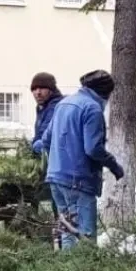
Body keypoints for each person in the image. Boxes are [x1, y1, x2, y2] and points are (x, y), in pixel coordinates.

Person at [45, 69, 125, 248]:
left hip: (55, 178)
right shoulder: (92, 108)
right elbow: (93, 149)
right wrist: (114, 166)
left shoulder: (63, 104)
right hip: (78, 181)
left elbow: (46, 139)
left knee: (67, 231)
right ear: (105, 92)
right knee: (85, 236)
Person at [28, 72, 64, 155]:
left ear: (51, 90)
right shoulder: (42, 106)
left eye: (42, 88)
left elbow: (43, 135)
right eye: (34, 89)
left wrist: (34, 147)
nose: (38, 92)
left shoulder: (56, 106)